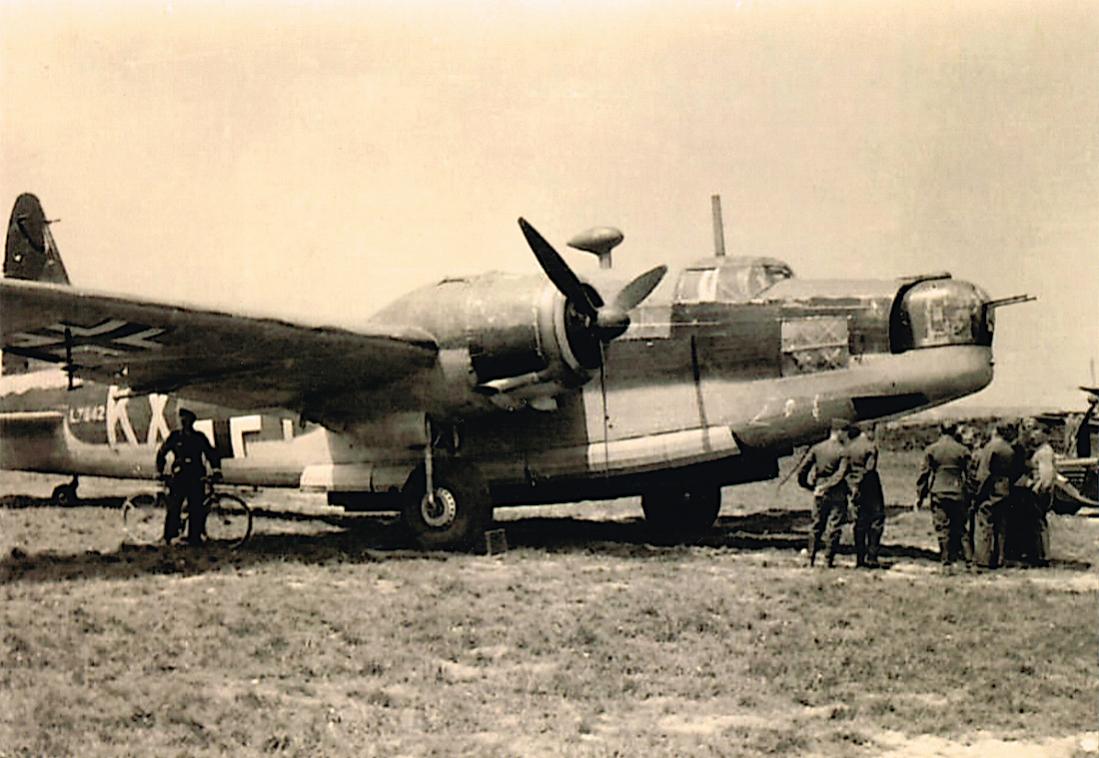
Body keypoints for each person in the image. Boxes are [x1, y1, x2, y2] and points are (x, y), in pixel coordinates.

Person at [155, 407, 221, 545]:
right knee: (174, 507)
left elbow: (211, 453)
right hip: (180, 476)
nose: (184, 422)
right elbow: (161, 453)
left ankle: (194, 537)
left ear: (192, 421)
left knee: (196, 507)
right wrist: (159, 471)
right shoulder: (175, 437)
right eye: (182, 419)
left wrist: (216, 469)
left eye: (187, 419)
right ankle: (169, 536)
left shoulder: (199, 438)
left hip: (196, 476)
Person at [796, 418, 850, 568]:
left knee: (816, 525)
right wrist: (828, 486)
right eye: (845, 432)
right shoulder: (843, 451)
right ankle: (828, 560)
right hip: (837, 492)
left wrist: (808, 485)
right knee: (834, 527)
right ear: (839, 432)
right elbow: (841, 474)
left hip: (819, 491)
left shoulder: (817, 448)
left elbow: (802, 470)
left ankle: (810, 558)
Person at [916, 421, 970, 569]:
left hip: (938, 491)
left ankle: (946, 562)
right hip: (957, 490)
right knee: (961, 528)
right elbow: (970, 475)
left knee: (942, 528)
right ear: (955, 431)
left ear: (940, 430)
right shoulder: (963, 450)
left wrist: (920, 495)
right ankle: (969, 562)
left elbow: (924, 475)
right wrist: (970, 493)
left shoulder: (932, 450)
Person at [972, 423, 1023, 570]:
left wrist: (978, 491)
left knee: (984, 522)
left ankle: (983, 558)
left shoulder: (991, 447)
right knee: (1001, 525)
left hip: (991, 488)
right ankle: (1000, 557)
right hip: (1005, 488)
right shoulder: (1009, 449)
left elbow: (984, 472)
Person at [846, 423, 885, 568]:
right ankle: (872, 557)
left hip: (854, 485)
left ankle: (860, 558)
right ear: (869, 431)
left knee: (860, 522)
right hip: (869, 486)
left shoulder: (849, 447)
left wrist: (853, 486)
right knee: (876, 520)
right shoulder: (870, 447)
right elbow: (870, 468)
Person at [1021, 427, 1056, 566]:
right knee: (1037, 522)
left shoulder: (1044, 452)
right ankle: (1040, 553)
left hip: (1039, 491)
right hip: (1041, 490)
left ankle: (1043, 556)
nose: (1034, 436)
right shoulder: (1042, 450)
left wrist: (1038, 489)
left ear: (1045, 435)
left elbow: (1046, 474)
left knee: (1039, 523)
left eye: (1037, 432)